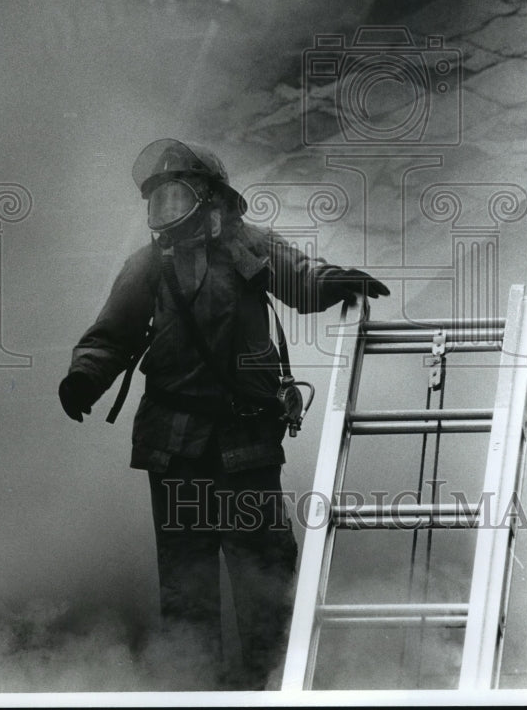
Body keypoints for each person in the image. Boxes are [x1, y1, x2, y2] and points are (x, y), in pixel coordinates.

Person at [58, 139, 389, 690]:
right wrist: (84, 378)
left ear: (210, 197)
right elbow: (111, 335)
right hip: (174, 447)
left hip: (245, 443)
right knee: (188, 590)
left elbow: (301, 278)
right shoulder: (146, 267)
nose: (166, 209)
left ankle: (273, 690)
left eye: (177, 194)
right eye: (157, 199)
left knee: (265, 580)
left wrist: (338, 280)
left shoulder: (248, 246)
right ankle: (195, 690)